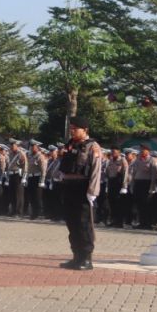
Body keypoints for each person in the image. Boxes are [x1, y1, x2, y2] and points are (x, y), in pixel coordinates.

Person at [59, 115, 103, 270]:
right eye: (70, 129)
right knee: (72, 223)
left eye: (75, 129)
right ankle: (76, 257)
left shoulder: (93, 147)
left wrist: (92, 192)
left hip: (83, 188)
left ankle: (86, 258)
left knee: (83, 224)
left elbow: (96, 171)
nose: (72, 131)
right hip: (69, 186)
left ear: (85, 130)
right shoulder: (70, 144)